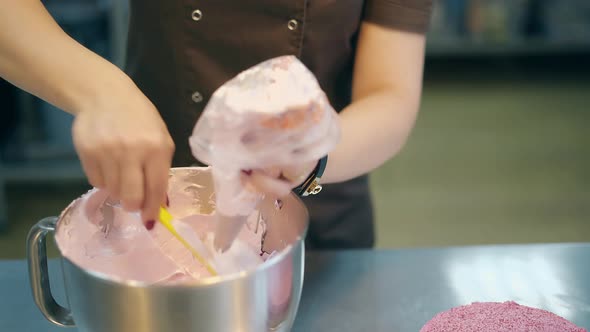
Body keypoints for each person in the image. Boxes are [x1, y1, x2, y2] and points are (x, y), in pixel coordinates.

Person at [0, 0, 432, 250]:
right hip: (152, 196)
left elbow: (389, 95)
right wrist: (103, 93)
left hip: (316, 211)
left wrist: (312, 156)